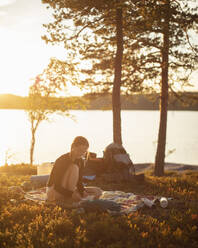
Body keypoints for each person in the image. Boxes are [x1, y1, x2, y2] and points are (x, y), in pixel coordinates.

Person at [46, 136, 103, 204]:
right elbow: (57, 186)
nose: (81, 153)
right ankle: (69, 199)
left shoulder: (80, 161)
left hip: (68, 190)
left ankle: (73, 197)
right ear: (73, 147)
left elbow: (79, 181)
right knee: (74, 168)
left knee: (98, 191)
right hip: (54, 192)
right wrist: (71, 194)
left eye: (84, 152)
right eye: (79, 150)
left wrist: (83, 192)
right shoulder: (62, 160)